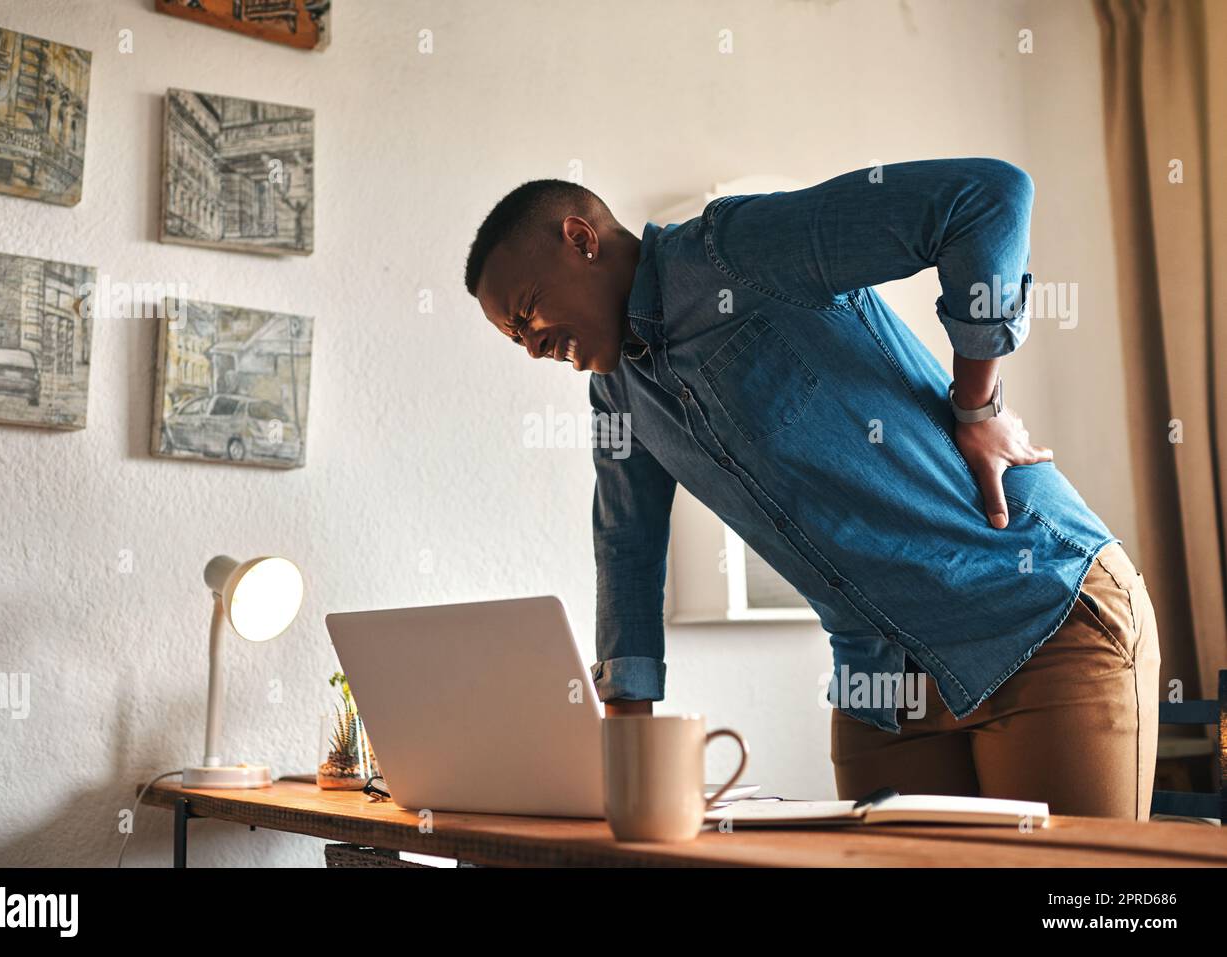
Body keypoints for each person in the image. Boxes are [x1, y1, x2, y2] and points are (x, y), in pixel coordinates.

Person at [463, 159, 1161, 820]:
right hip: (879, 687)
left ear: (581, 240)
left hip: (1037, 612)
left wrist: (976, 404)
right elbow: (627, 552)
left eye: (528, 314)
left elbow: (987, 197)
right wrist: (626, 760)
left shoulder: (731, 251)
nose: (531, 347)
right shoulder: (617, 397)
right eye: (512, 338)